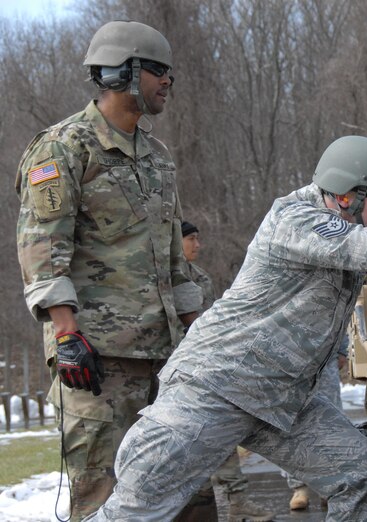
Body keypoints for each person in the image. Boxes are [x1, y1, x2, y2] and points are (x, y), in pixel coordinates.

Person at [84, 134, 367, 521]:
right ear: (347, 195)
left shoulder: (348, 233)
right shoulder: (297, 219)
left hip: (283, 399)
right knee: (137, 508)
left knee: (362, 477)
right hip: (216, 387)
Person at [14, 21, 202, 521]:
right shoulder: (64, 148)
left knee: (185, 493)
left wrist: (197, 330)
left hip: (166, 357)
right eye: (158, 70)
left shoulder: (157, 157)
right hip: (97, 363)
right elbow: (41, 246)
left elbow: (174, 260)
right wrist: (66, 334)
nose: (168, 81)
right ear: (122, 72)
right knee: (103, 499)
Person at [180, 220, 272, 521]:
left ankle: (237, 500)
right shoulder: (159, 277)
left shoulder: (199, 277)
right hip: (169, 370)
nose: (198, 245)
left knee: (217, 435)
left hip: (200, 369)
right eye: (191, 239)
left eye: (198, 238)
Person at [287, 336, 348, 511]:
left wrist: (342, 349)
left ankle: (329, 486)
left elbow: (339, 319)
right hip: (290, 360)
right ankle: (299, 488)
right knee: (294, 425)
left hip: (324, 358)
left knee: (329, 424)